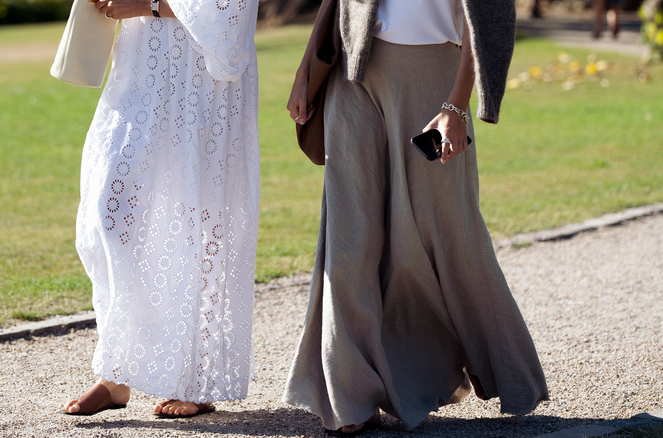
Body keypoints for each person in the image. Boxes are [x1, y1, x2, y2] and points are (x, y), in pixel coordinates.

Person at [284, 0, 549, 434]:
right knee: (348, 238)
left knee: (443, 231)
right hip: (354, 67)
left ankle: (498, 366)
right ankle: (350, 397)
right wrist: (305, 72)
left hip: (435, 75)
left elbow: (489, 15)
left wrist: (458, 104)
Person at [61, 0, 260, 418]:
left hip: (202, 79)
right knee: (110, 212)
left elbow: (228, 9)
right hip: (139, 71)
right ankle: (117, 369)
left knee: (201, 219)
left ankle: (196, 378)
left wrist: (145, 4)